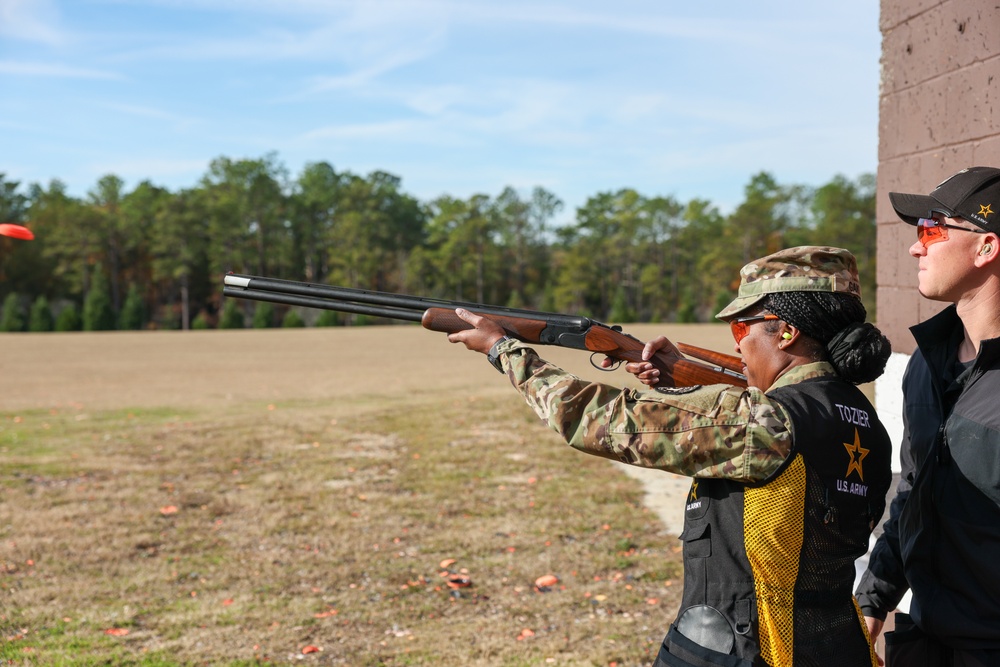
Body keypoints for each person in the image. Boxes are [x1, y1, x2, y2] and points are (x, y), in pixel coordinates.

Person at [449, 245, 894, 667]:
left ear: (788, 331)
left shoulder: (766, 421)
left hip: (747, 650)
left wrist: (503, 350)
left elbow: (592, 419)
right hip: (835, 645)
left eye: (742, 329)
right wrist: (683, 382)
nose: (738, 346)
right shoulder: (865, 422)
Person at [854, 166, 1000, 667]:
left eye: (932, 230)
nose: (917, 247)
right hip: (923, 639)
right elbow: (913, 492)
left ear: (986, 248)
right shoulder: (925, 362)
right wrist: (875, 597)